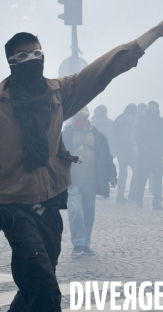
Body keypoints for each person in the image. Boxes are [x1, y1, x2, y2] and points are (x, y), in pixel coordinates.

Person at [0, 11, 163, 311]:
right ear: (11, 63)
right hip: (15, 211)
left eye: (38, 53)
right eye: (24, 56)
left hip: (50, 208)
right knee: (46, 291)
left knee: (34, 288)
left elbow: (107, 66)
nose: (33, 59)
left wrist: (157, 31)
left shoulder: (59, 95)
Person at [62, 107, 116, 258]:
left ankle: (85, 244)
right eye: (77, 119)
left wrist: (112, 175)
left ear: (88, 119)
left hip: (91, 181)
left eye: (82, 119)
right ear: (73, 120)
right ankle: (78, 243)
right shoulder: (66, 135)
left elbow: (106, 156)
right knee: (75, 211)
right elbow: (56, 155)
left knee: (88, 213)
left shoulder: (97, 136)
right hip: (72, 181)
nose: (80, 122)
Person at [132, 101, 163, 210]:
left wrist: (161, 148)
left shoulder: (161, 121)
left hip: (156, 153)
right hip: (146, 154)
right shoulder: (142, 120)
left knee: (157, 178)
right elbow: (137, 135)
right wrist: (142, 146)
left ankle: (156, 201)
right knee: (144, 177)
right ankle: (139, 198)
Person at [111, 103, 138, 203]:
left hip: (120, 150)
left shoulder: (120, 117)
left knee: (123, 172)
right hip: (127, 149)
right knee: (137, 170)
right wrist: (133, 146)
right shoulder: (130, 118)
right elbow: (128, 134)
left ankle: (120, 196)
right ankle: (132, 194)